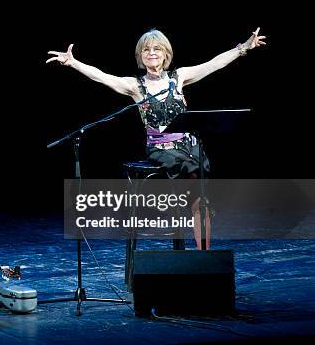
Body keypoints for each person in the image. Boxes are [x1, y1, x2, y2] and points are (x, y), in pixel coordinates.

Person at [46, 28, 266, 249]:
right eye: (146, 50)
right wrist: (73, 63)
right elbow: (101, 76)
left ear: (165, 54)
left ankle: (203, 251)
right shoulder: (135, 86)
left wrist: (244, 48)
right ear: (140, 56)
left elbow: (214, 64)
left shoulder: (178, 78)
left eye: (157, 49)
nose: (151, 53)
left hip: (188, 146)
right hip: (161, 148)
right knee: (189, 177)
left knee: (200, 192)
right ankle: (180, 209)